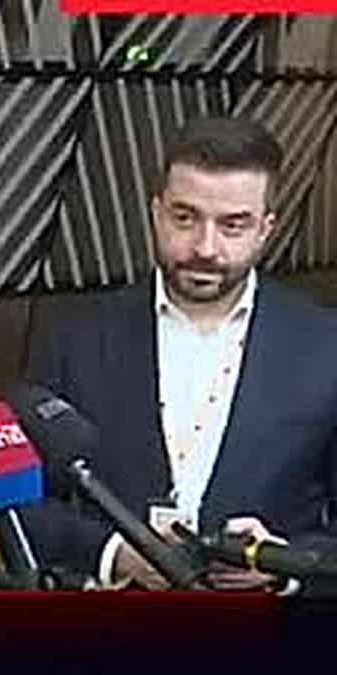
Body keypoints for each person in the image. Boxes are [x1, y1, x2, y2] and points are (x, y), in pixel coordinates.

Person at [25, 116, 337, 592]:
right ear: (157, 213)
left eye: (233, 225)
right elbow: (23, 505)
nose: (205, 248)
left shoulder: (325, 347)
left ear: (265, 230)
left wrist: (284, 565)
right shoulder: (76, 338)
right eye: (185, 218)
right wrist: (114, 554)